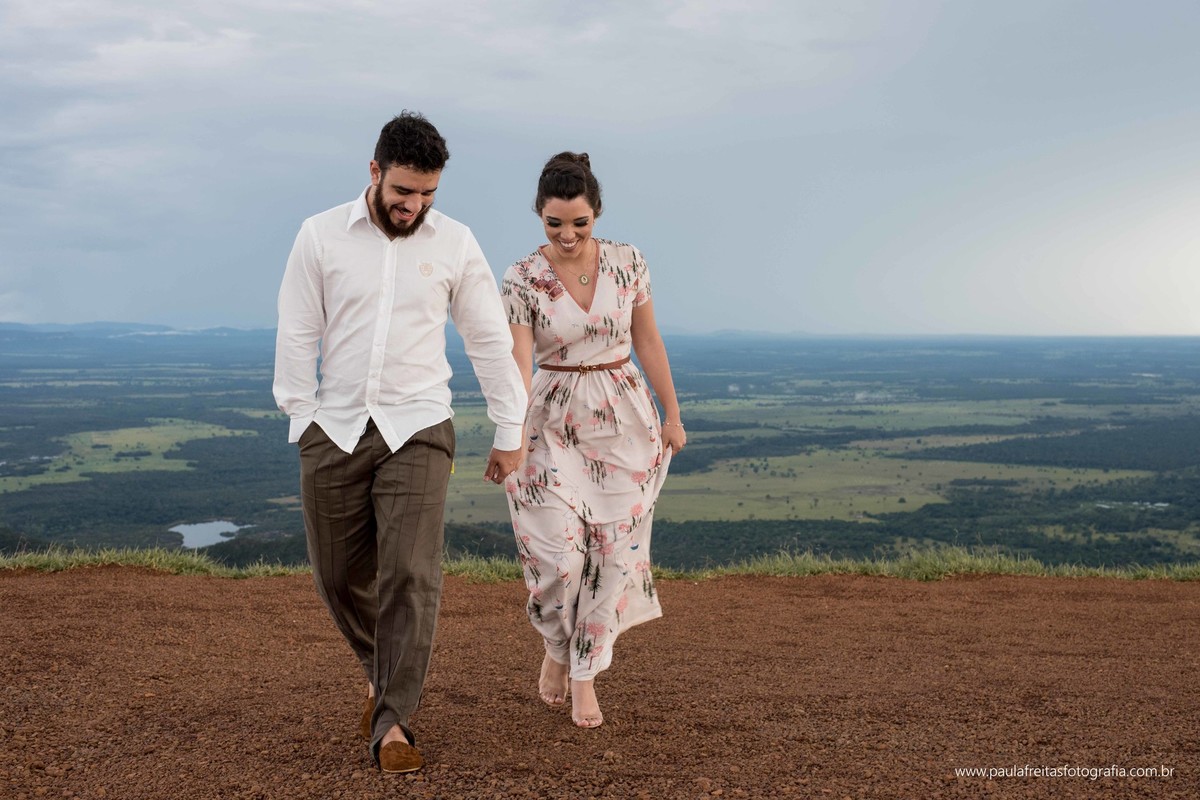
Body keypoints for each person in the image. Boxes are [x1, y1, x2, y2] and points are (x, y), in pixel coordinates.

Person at [272, 112, 527, 774]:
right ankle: (383, 673)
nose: (414, 207)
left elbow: (488, 339)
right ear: (375, 172)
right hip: (334, 425)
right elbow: (299, 330)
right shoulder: (319, 236)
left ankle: (392, 724)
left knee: (410, 573)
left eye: (427, 195)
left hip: (419, 423)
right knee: (336, 574)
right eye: (403, 193)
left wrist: (510, 427)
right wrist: (301, 416)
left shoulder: (456, 243)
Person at [500, 152, 686, 728]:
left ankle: (584, 672)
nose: (567, 234)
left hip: (625, 420)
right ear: (539, 215)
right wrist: (511, 435)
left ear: (597, 213)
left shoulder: (629, 263)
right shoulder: (521, 278)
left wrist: (672, 415)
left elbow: (648, 341)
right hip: (550, 420)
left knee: (612, 555)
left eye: (579, 222)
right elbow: (519, 362)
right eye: (554, 223)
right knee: (558, 556)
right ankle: (557, 645)